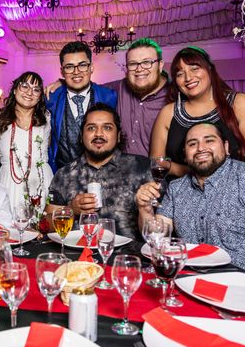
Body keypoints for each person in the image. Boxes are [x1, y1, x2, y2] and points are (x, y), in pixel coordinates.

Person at [137, 123, 245, 291]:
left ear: (226, 147)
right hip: (207, 289)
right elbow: (158, 239)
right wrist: (145, 209)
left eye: (209, 140)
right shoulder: (177, 188)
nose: (201, 148)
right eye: (192, 144)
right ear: (185, 154)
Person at [150, 46, 245, 177]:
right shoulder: (168, 113)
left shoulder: (240, 104)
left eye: (194, 69)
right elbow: (156, 162)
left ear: (210, 69)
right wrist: (195, 173)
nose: (188, 78)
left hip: (234, 191)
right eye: (180, 74)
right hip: (182, 193)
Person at [45, 103, 151, 240]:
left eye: (107, 127)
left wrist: (144, 207)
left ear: (118, 136)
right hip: (77, 258)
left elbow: (158, 231)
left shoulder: (142, 168)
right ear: (81, 136)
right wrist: (71, 210)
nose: (99, 134)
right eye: (91, 128)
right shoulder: (64, 174)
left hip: (125, 257)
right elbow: (45, 226)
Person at [46, 41, 117, 172]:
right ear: (62, 71)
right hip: (63, 176)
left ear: (91, 68)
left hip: (103, 174)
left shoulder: (110, 97)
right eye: (69, 67)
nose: (76, 72)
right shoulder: (51, 99)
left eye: (82, 65)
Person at [0, 71, 52, 217]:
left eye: (36, 89)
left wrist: (60, 82)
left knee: (42, 228)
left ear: (40, 97)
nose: (29, 92)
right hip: (9, 180)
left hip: (40, 180)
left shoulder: (46, 118)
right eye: (24, 86)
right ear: (14, 90)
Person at [105, 38, 169, 157]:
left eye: (147, 62)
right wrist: (62, 83)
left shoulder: (174, 96)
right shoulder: (119, 87)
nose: (139, 69)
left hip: (155, 173)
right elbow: (89, 88)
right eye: (133, 64)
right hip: (120, 172)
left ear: (160, 66)